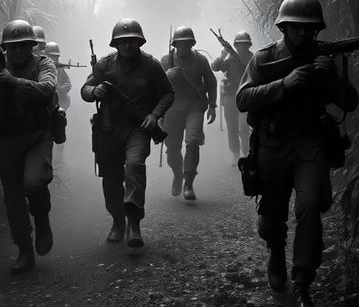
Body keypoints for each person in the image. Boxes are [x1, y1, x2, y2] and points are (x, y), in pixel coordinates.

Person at [236, 0, 358, 307]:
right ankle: (276, 252)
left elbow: (351, 102)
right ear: (285, 26)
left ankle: (303, 286)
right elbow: (243, 99)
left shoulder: (324, 56)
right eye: (297, 27)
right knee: (273, 216)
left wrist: (330, 77)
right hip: (273, 146)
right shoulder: (264, 59)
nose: (304, 34)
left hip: (311, 144)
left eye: (310, 28)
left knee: (308, 210)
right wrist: (284, 84)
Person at [81, 19, 174, 247]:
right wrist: (95, 91)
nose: (128, 46)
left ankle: (134, 223)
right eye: (123, 41)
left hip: (139, 128)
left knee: (135, 166)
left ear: (139, 41)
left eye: (132, 41)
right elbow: (85, 90)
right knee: (111, 178)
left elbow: (167, 93)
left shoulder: (151, 65)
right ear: (115, 43)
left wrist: (154, 115)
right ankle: (117, 221)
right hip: (109, 128)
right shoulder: (104, 65)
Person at [0, 20, 58, 274]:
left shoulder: (43, 64)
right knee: (12, 197)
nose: (20, 51)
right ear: (5, 48)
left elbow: (46, 90)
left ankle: (42, 217)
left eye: (25, 45)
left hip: (38, 133)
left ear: (32, 46)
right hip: (8, 137)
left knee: (35, 182)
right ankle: (24, 249)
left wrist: (10, 79)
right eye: (14, 47)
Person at [160, 26, 217, 200]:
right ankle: (178, 174)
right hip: (172, 107)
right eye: (180, 44)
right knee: (172, 148)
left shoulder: (200, 60)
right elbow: (157, 88)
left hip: (194, 105)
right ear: (174, 44)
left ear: (192, 43)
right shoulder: (165, 60)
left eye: (187, 43)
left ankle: (189, 183)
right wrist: (159, 114)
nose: (183, 47)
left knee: (193, 141)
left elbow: (211, 81)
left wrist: (213, 105)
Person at [211, 31, 254, 166]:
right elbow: (215, 67)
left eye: (245, 44)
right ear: (235, 45)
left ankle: (245, 152)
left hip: (246, 97)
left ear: (248, 45)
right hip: (230, 99)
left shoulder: (254, 58)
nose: (242, 47)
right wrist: (221, 56)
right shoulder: (229, 58)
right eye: (239, 45)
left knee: (245, 127)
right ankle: (235, 154)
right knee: (232, 128)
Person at [45, 41, 72, 109]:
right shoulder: (41, 68)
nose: (55, 59)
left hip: (59, 102)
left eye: (56, 57)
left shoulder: (60, 69)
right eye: (52, 56)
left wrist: (60, 89)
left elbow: (68, 84)